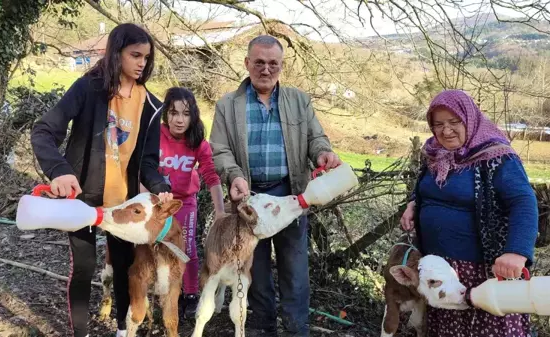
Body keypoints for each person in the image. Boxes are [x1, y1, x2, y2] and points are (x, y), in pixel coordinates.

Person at [31, 23, 173, 337]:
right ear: (115, 53)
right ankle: (79, 332)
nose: (141, 63)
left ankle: (124, 330)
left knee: (125, 269)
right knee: (83, 268)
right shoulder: (88, 88)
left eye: (146, 58)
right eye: (135, 55)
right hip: (82, 201)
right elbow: (44, 130)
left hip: (123, 205)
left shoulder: (150, 105)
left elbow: (147, 162)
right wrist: (59, 170)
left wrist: (161, 186)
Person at [209, 35, 341, 336]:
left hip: (290, 195)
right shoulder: (228, 105)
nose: (265, 69)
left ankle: (297, 329)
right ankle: (262, 327)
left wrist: (322, 152)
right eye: (259, 62)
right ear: (247, 64)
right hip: (250, 199)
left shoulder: (298, 100)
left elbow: (315, 138)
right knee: (254, 268)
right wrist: (234, 175)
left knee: (295, 268)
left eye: (273, 64)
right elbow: (219, 149)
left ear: (281, 66)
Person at [400, 89, 538, 336]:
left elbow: (523, 202)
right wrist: (414, 204)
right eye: (438, 124)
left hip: (483, 271)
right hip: (441, 272)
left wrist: (517, 252)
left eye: (454, 122)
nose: (446, 130)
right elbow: (428, 190)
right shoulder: (434, 154)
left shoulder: (495, 156)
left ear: (470, 119)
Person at [157, 87, 225, 317]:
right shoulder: (155, 136)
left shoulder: (198, 142)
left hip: (185, 203)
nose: (179, 120)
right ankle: (162, 291)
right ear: (166, 113)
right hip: (158, 203)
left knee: (186, 247)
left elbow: (211, 176)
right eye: (174, 113)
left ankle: (191, 294)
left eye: (185, 114)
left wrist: (220, 212)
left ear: (193, 115)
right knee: (156, 247)